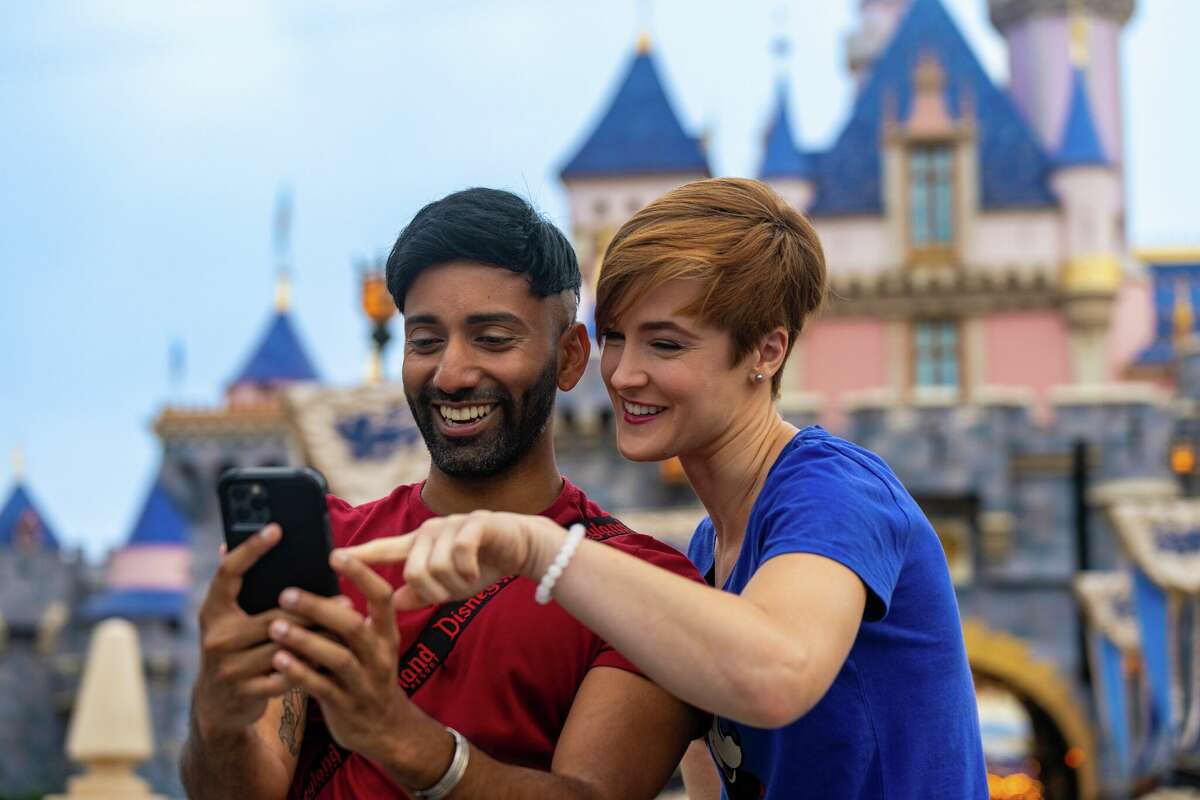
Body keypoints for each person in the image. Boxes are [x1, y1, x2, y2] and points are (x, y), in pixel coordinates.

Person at [343, 178, 990, 799]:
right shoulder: (707, 553)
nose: (624, 374)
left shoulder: (835, 490)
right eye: (617, 338)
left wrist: (538, 548)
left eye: (666, 344)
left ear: (766, 352)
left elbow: (777, 672)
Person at [179, 187, 705, 800]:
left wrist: (397, 735)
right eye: (425, 341)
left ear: (568, 358)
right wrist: (218, 715)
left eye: (492, 339)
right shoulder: (330, 546)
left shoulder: (644, 584)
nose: (451, 375)